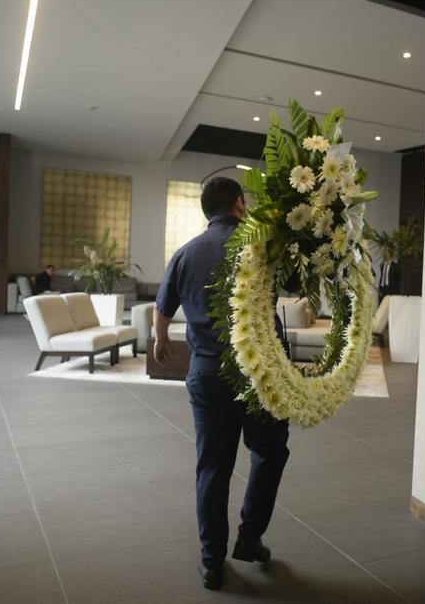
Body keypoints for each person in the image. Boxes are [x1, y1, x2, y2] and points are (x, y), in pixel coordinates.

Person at [154, 177, 290, 591]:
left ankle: (212, 561)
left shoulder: (185, 252)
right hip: (259, 375)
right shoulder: (262, 245)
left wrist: (161, 340)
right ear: (239, 204)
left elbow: (163, 309)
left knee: (213, 467)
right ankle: (250, 535)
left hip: (208, 375)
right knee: (268, 453)